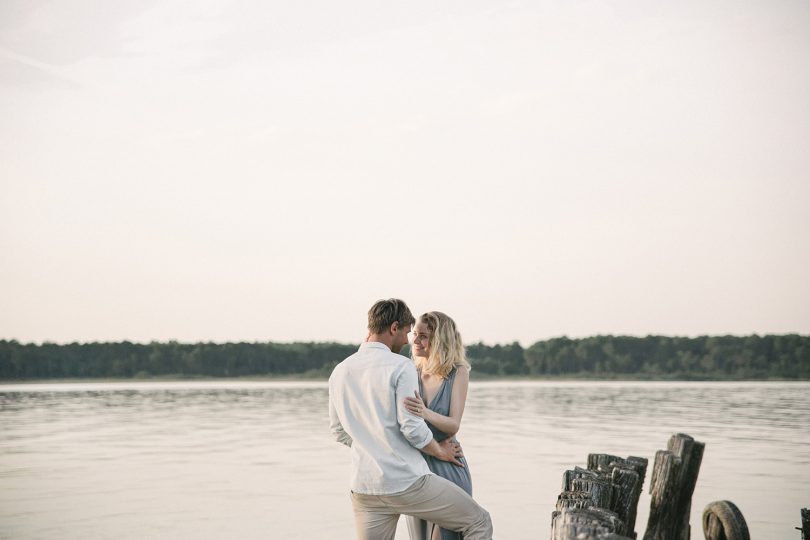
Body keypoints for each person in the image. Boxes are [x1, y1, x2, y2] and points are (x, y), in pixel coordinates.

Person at [329, 299, 493, 540]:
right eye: (408, 332)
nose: (409, 340)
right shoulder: (401, 366)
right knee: (479, 521)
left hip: (365, 486)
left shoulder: (341, 370)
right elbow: (411, 428)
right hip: (406, 480)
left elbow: (338, 431)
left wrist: (375, 448)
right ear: (394, 328)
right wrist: (437, 451)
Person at [404, 312, 472, 540]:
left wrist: (424, 412)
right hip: (418, 470)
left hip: (449, 467)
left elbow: (453, 425)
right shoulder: (410, 373)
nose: (414, 340)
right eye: (415, 334)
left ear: (440, 340)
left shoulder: (458, 372)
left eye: (423, 336)